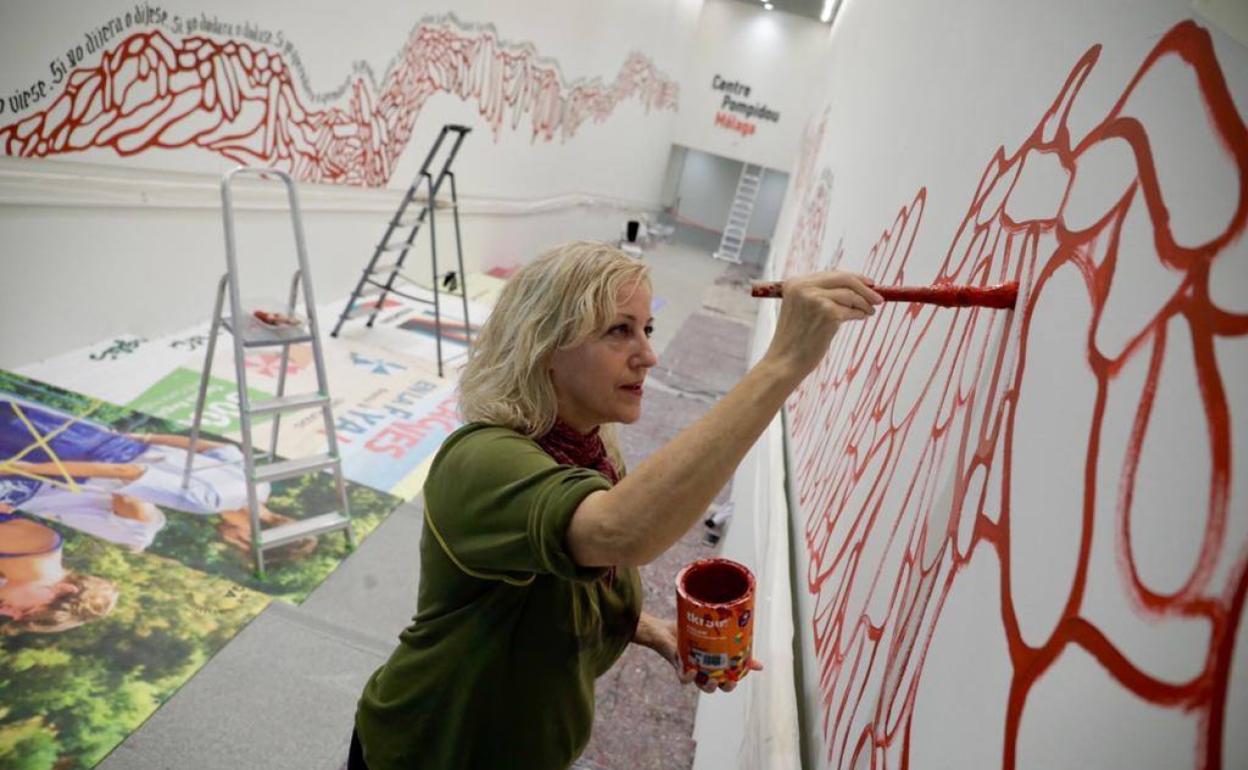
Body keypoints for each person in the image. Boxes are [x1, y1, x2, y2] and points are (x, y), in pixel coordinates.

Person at [351, 240, 883, 769]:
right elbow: (620, 531)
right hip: (426, 750)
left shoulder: (591, 449)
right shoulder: (480, 460)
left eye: (646, 329)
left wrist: (648, 628)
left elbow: (565, 582)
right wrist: (783, 363)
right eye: (618, 330)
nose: (649, 355)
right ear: (544, 346)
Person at [0, 398, 314, 558]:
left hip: (98, 440)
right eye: (242, 547)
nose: (230, 542)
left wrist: (147, 436)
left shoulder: (260, 484)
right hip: (73, 456)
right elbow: (124, 473)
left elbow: (220, 447)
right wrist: (27, 469)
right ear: (250, 538)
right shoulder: (208, 502)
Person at [0, 506, 119, 634]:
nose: (13, 614)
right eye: (26, 610)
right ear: (63, 589)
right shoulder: (39, 545)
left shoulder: (9, 575)